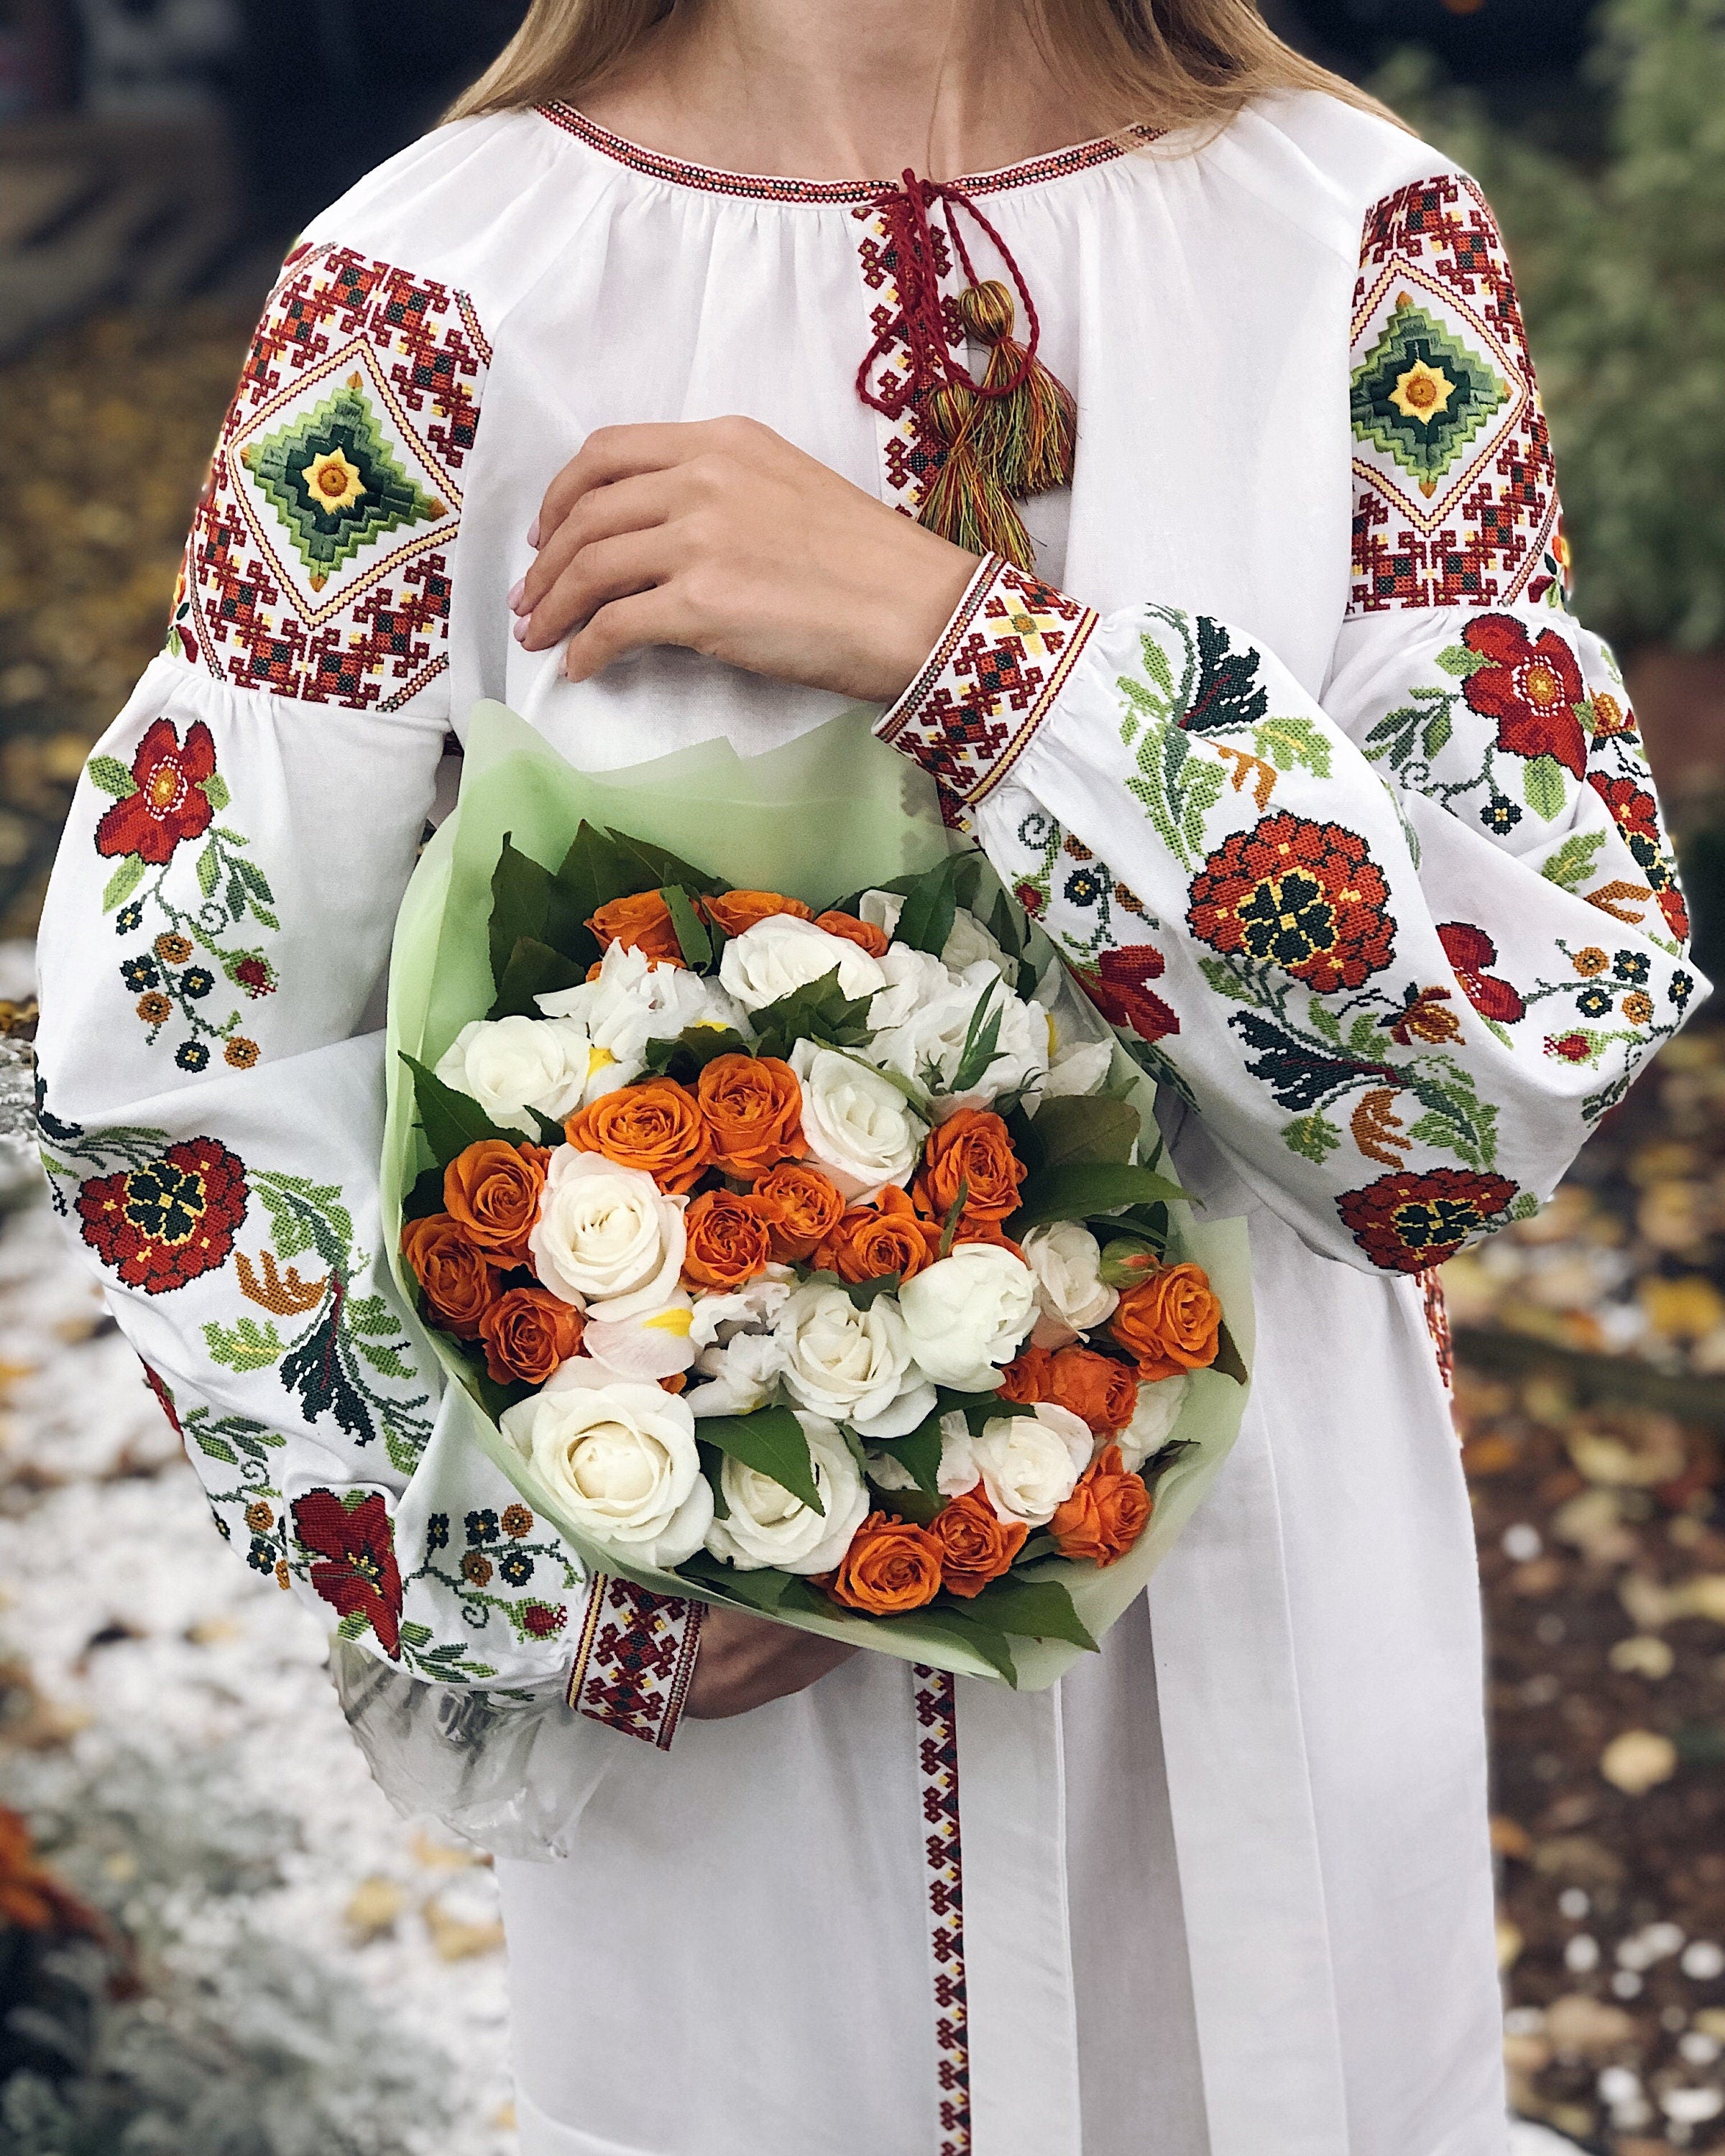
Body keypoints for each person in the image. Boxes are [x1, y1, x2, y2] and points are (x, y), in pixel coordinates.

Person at [33, 1, 1700, 2150]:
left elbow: (1490, 1076)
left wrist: (976, 658)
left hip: (1284, 1639)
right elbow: (170, 1061)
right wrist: (542, 1580)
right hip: (749, 1718)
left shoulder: (1362, 242)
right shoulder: (425, 303)